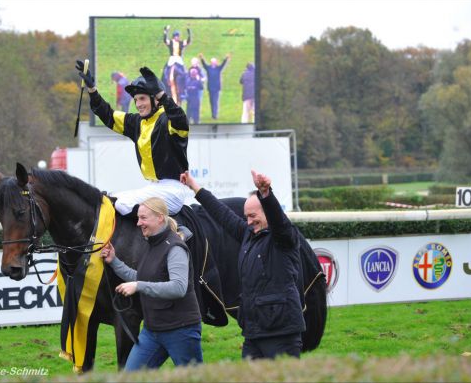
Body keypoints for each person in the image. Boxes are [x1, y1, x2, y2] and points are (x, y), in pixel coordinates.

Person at [180, 169, 305, 360]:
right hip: (253, 332)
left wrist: (265, 194)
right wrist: (193, 186)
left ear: (267, 212)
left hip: (281, 332)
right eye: (246, 216)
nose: (249, 221)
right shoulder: (248, 233)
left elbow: (278, 220)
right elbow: (221, 213)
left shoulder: (284, 237)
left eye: (253, 215)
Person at [100, 197, 203, 371]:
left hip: (181, 330)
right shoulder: (150, 244)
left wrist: (138, 286)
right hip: (152, 332)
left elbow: (178, 287)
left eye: (143, 218)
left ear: (160, 218)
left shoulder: (176, 248)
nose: (139, 223)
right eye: (138, 218)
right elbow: (141, 276)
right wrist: (114, 261)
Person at [76, 61, 191, 216]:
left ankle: (169, 234)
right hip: (154, 188)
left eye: (142, 98)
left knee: (122, 204)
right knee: (109, 199)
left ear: (155, 99)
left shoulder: (168, 119)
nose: (138, 104)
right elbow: (108, 115)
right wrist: (92, 90)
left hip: (173, 190)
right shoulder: (137, 122)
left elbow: (179, 118)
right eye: (136, 100)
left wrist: (162, 95)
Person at [200, 53, 230, 119]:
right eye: (212, 62)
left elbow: (223, 64)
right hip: (210, 88)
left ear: (216, 62)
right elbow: (204, 64)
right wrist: (202, 58)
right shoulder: (208, 68)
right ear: (211, 62)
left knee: (215, 101)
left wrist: (226, 58)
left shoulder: (218, 68)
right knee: (211, 102)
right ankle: (213, 114)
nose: (213, 63)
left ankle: (215, 115)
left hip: (216, 88)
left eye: (214, 62)